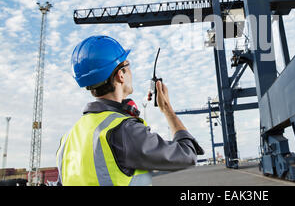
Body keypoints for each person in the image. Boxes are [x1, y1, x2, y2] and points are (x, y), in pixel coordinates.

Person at [56, 35, 204, 186]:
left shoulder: (67, 140)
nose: (131, 72)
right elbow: (187, 155)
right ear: (121, 75)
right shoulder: (124, 130)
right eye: (128, 65)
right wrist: (167, 109)